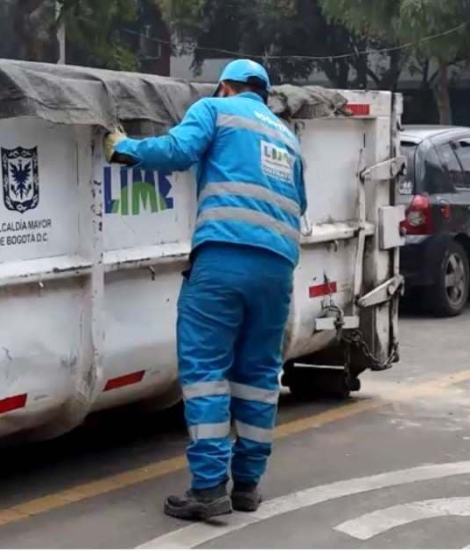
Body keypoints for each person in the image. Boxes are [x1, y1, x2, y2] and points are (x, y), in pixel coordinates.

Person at [104, 59, 307, 521]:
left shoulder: (216, 110)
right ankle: (248, 486)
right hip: (277, 270)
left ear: (224, 86)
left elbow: (177, 151)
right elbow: (300, 203)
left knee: (207, 371)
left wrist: (123, 148)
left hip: (224, 260)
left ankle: (210, 486)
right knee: (258, 376)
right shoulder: (287, 136)